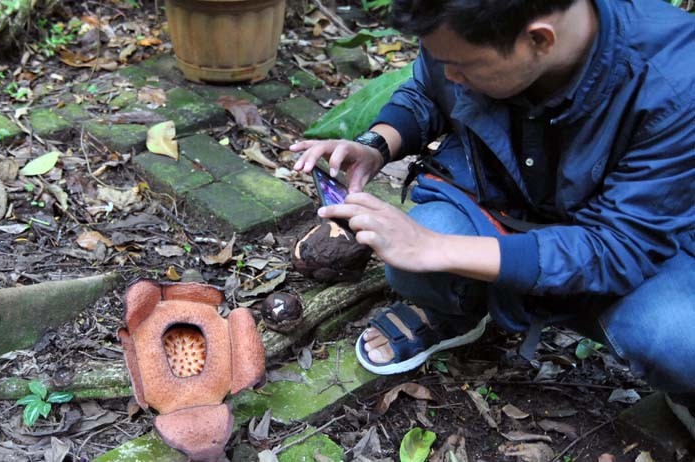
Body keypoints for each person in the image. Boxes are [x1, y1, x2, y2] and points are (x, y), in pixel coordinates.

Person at [291, 0, 695, 437]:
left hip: (635, 247)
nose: (451, 75)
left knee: (678, 339)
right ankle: (458, 311)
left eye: (463, 66)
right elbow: (429, 90)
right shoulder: (467, 26)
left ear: (539, 40)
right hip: (501, 203)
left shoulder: (677, 80)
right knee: (418, 252)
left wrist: (433, 248)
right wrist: (376, 146)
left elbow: (617, 248)